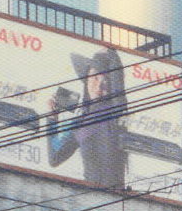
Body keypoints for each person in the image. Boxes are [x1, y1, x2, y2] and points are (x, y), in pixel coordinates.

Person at [46, 48, 128, 188]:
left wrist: (111, 53)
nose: (99, 85)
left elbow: (118, 89)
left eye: (106, 80)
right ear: (87, 79)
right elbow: (55, 157)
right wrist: (52, 120)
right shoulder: (80, 121)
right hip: (89, 199)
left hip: (115, 199)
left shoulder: (115, 112)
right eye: (95, 77)